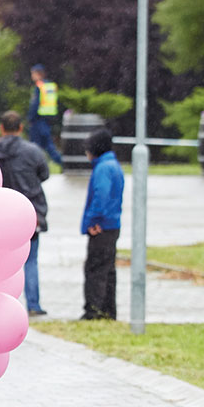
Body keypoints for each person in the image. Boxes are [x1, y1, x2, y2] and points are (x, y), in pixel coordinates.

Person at [0, 111, 50, 316]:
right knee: (31, 261)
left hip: (1, 216)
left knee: (1, 263)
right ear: (21, 128)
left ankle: (0, 303)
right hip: (31, 215)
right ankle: (34, 305)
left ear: (2, 128)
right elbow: (45, 174)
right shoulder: (33, 152)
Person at [81, 129, 123, 320]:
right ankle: (108, 309)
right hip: (112, 225)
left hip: (101, 226)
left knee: (95, 269)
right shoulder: (113, 164)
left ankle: (94, 310)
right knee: (108, 269)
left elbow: (101, 195)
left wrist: (94, 220)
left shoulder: (103, 168)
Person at [27, 64, 63, 165]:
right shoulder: (50, 86)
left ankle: (35, 165)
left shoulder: (39, 86)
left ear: (38, 74)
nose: (32, 76)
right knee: (48, 145)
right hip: (48, 120)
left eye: (32, 73)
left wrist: (30, 118)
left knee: (35, 146)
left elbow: (35, 104)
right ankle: (61, 162)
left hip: (38, 120)